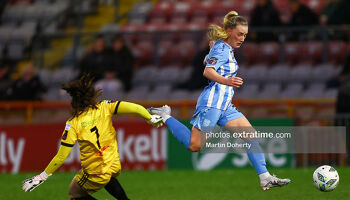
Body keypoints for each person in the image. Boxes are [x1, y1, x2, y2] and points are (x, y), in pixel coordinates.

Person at [148, 11, 290, 191]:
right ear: (230, 31)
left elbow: (210, 63)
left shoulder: (223, 48)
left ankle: (265, 177)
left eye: (245, 35)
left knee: (250, 135)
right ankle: (165, 116)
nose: (242, 38)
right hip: (212, 103)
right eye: (239, 34)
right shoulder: (222, 48)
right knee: (194, 146)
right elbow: (207, 71)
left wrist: (209, 54)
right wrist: (227, 80)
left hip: (225, 105)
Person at [22, 74, 163, 200]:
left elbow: (61, 157)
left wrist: (41, 177)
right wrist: (150, 118)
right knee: (106, 177)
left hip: (95, 170)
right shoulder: (104, 106)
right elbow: (135, 108)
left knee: (74, 194)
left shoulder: (73, 123)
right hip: (113, 164)